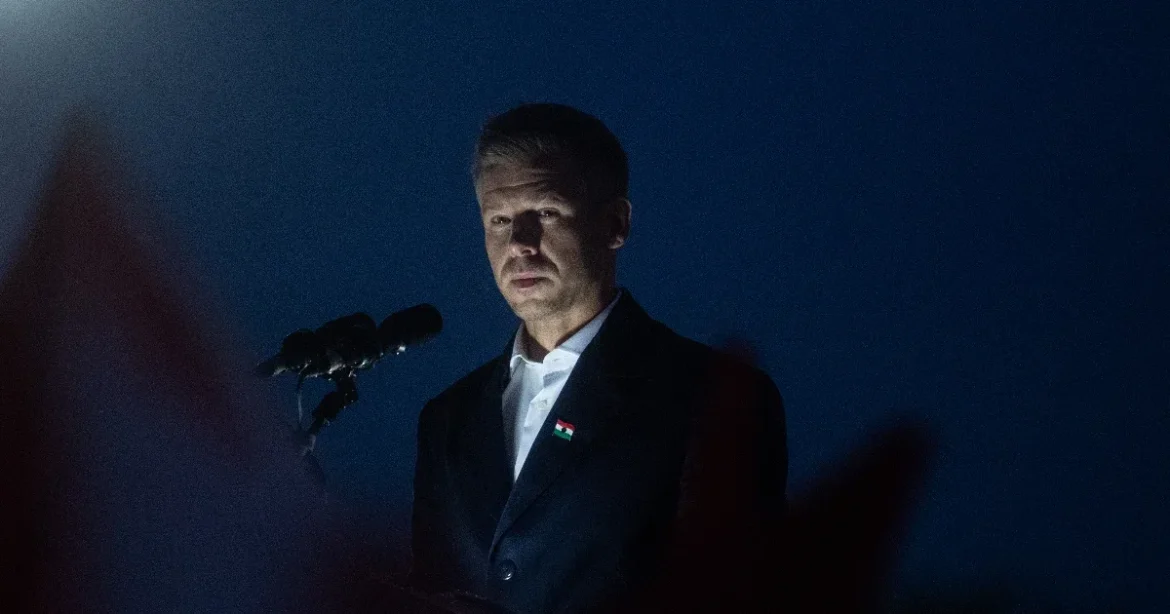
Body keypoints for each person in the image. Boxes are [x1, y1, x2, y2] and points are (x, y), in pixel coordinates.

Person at [409, 103, 786, 613]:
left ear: (615, 223)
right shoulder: (447, 420)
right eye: (499, 220)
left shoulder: (712, 398)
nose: (519, 244)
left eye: (545, 212)